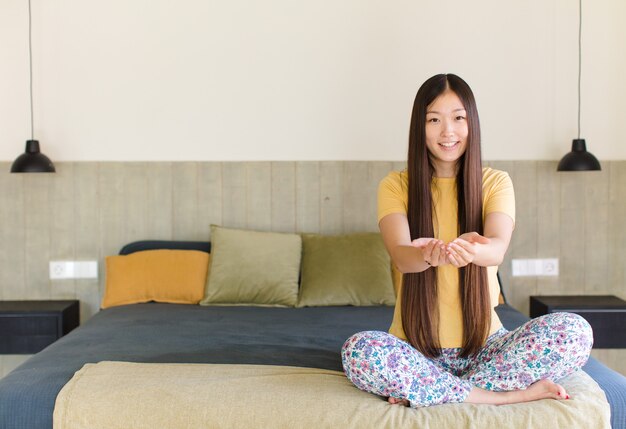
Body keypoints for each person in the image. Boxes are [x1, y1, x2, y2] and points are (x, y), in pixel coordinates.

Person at [341, 74, 593, 407]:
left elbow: (497, 248)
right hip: (415, 348)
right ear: (420, 126)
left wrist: (473, 249)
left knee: (575, 331)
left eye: (458, 118)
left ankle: (431, 391)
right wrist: (432, 256)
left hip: (486, 348)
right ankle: (500, 397)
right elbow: (403, 256)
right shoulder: (395, 186)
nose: (448, 131)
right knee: (358, 352)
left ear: (471, 123)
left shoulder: (495, 182)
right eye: (434, 120)